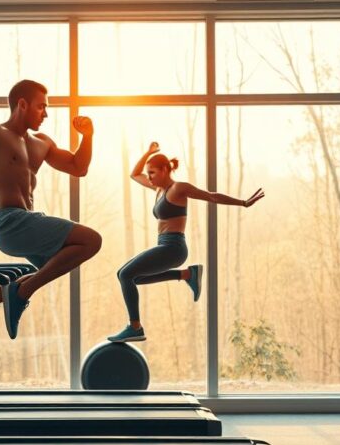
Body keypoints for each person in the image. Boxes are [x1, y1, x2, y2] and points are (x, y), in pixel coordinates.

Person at [0, 71, 101, 339]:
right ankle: (19, 292)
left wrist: (88, 136)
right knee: (91, 240)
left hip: (28, 221)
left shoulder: (42, 143)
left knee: (60, 261)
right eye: (41, 106)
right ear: (22, 104)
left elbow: (78, 167)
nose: (45, 114)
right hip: (9, 222)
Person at [107, 141, 265, 342]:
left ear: (165, 170)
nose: (150, 177)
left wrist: (243, 203)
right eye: (149, 173)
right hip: (163, 246)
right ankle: (188, 274)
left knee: (126, 275)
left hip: (173, 248)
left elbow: (211, 196)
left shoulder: (177, 188)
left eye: (153, 172)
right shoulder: (159, 190)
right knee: (128, 276)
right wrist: (148, 153)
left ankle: (135, 327)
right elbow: (134, 174)